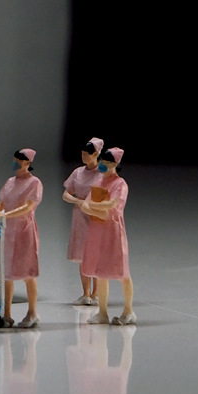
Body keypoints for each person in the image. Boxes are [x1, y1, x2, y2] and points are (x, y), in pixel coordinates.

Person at [0, 148, 42, 328]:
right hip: (7, 232)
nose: (15, 163)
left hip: (24, 231)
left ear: (28, 163)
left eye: (19, 160)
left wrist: (5, 215)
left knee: (27, 272)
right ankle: (6, 314)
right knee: (6, 274)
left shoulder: (34, 183)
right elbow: (2, 204)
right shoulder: (10, 182)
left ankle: (32, 312)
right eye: (15, 159)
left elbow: (28, 207)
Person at [80, 147, 136, 325]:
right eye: (102, 162)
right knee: (100, 273)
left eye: (106, 163)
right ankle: (102, 312)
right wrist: (99, 209)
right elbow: (84, 205)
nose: (102, 165)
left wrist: (95, 207)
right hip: (97, 230)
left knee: (122, 271)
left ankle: (128, 310)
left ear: (114, 164)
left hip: (113, 231)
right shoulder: (98, 182)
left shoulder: (120, 184)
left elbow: (112, 205)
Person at [62, 137, 105, 305]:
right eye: (82, 154)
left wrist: (89, 204)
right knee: (82, 255)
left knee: (95, 255)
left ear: (96, 154)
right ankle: (86, 293)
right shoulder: (78, 172)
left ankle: (96, 293)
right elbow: (66, 194)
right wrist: (78, 201)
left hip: (95, 216)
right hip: (80, 217)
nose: (84, 157)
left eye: (87, 154)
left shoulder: (102, 174)